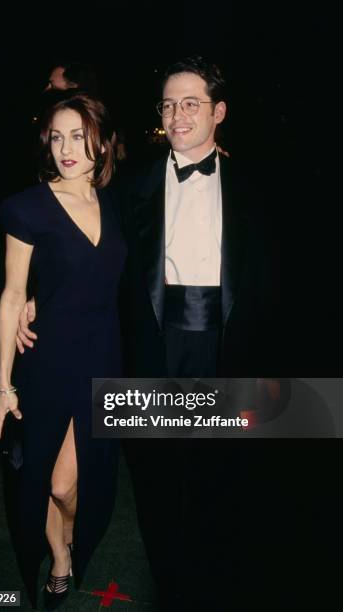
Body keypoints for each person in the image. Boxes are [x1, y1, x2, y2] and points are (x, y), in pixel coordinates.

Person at [17, 56, 283, 610]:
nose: (177, 115)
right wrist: (37, 296)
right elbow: (91, 256)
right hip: (154, 350)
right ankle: (168, 580)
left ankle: (211, 580)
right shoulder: (129, 187)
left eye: (191, 103)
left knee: (218, 476)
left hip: (225, 349)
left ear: (219, 112)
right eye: (168, 104)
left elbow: (280, 289)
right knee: (158, 480)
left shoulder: (260, 190)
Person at [0, 89, 126, 610]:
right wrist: (3, 385)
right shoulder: (27, 207)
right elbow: (10, 295)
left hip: (104, 359)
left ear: (101, 141)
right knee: (51, 481)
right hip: (48, 362)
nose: (65, 149)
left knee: (75, 483)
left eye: (78, 136)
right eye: (56, 137)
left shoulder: (117, 203)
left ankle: (69, 538)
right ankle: (60, 555)